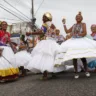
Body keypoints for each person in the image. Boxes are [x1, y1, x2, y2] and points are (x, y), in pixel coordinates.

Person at [55, 12, 96, 79]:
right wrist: (64, 24)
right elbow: (67, 31)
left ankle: (86, 71)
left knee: (83, 56)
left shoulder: (83, 24)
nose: (77, 18)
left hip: (81, 41)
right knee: (74, 57)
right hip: (74, 41)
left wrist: (77, 34)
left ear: (81, 18)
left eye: (79, 17)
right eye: (76, 17)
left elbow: (85, 32)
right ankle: (76, 72)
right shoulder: (74, 25)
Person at [26, 12, 65, 80]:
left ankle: (45, 75)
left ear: (47, 18)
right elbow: (52, 33)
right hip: (53, 42)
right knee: (52, 57)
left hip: (46, 42)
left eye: (43, 17)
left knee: (44, 58)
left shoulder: (45, 24)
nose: (42, 18)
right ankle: (53, 73)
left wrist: (30, 33)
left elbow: (42, 32)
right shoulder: (53, 25)